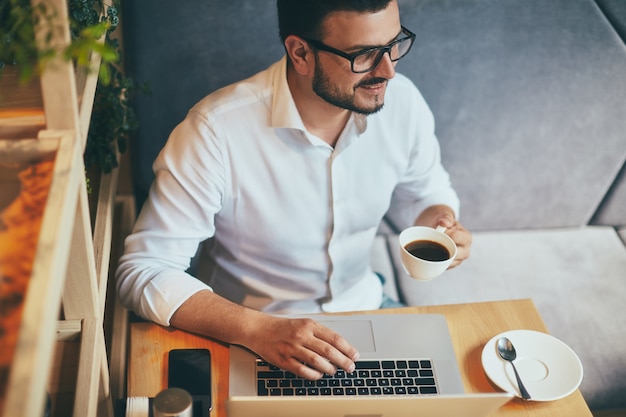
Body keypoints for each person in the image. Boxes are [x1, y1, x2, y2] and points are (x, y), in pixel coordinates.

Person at [116, 0, 472, 381]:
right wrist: (255, 329)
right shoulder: (214, 132)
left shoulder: (404, 103)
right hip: (254, 337)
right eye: (364, 56)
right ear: (300, 53)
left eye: (393, 45)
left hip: (367, 308)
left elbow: (426, 190)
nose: (387, 71)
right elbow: (143, 270)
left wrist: (440, 222)